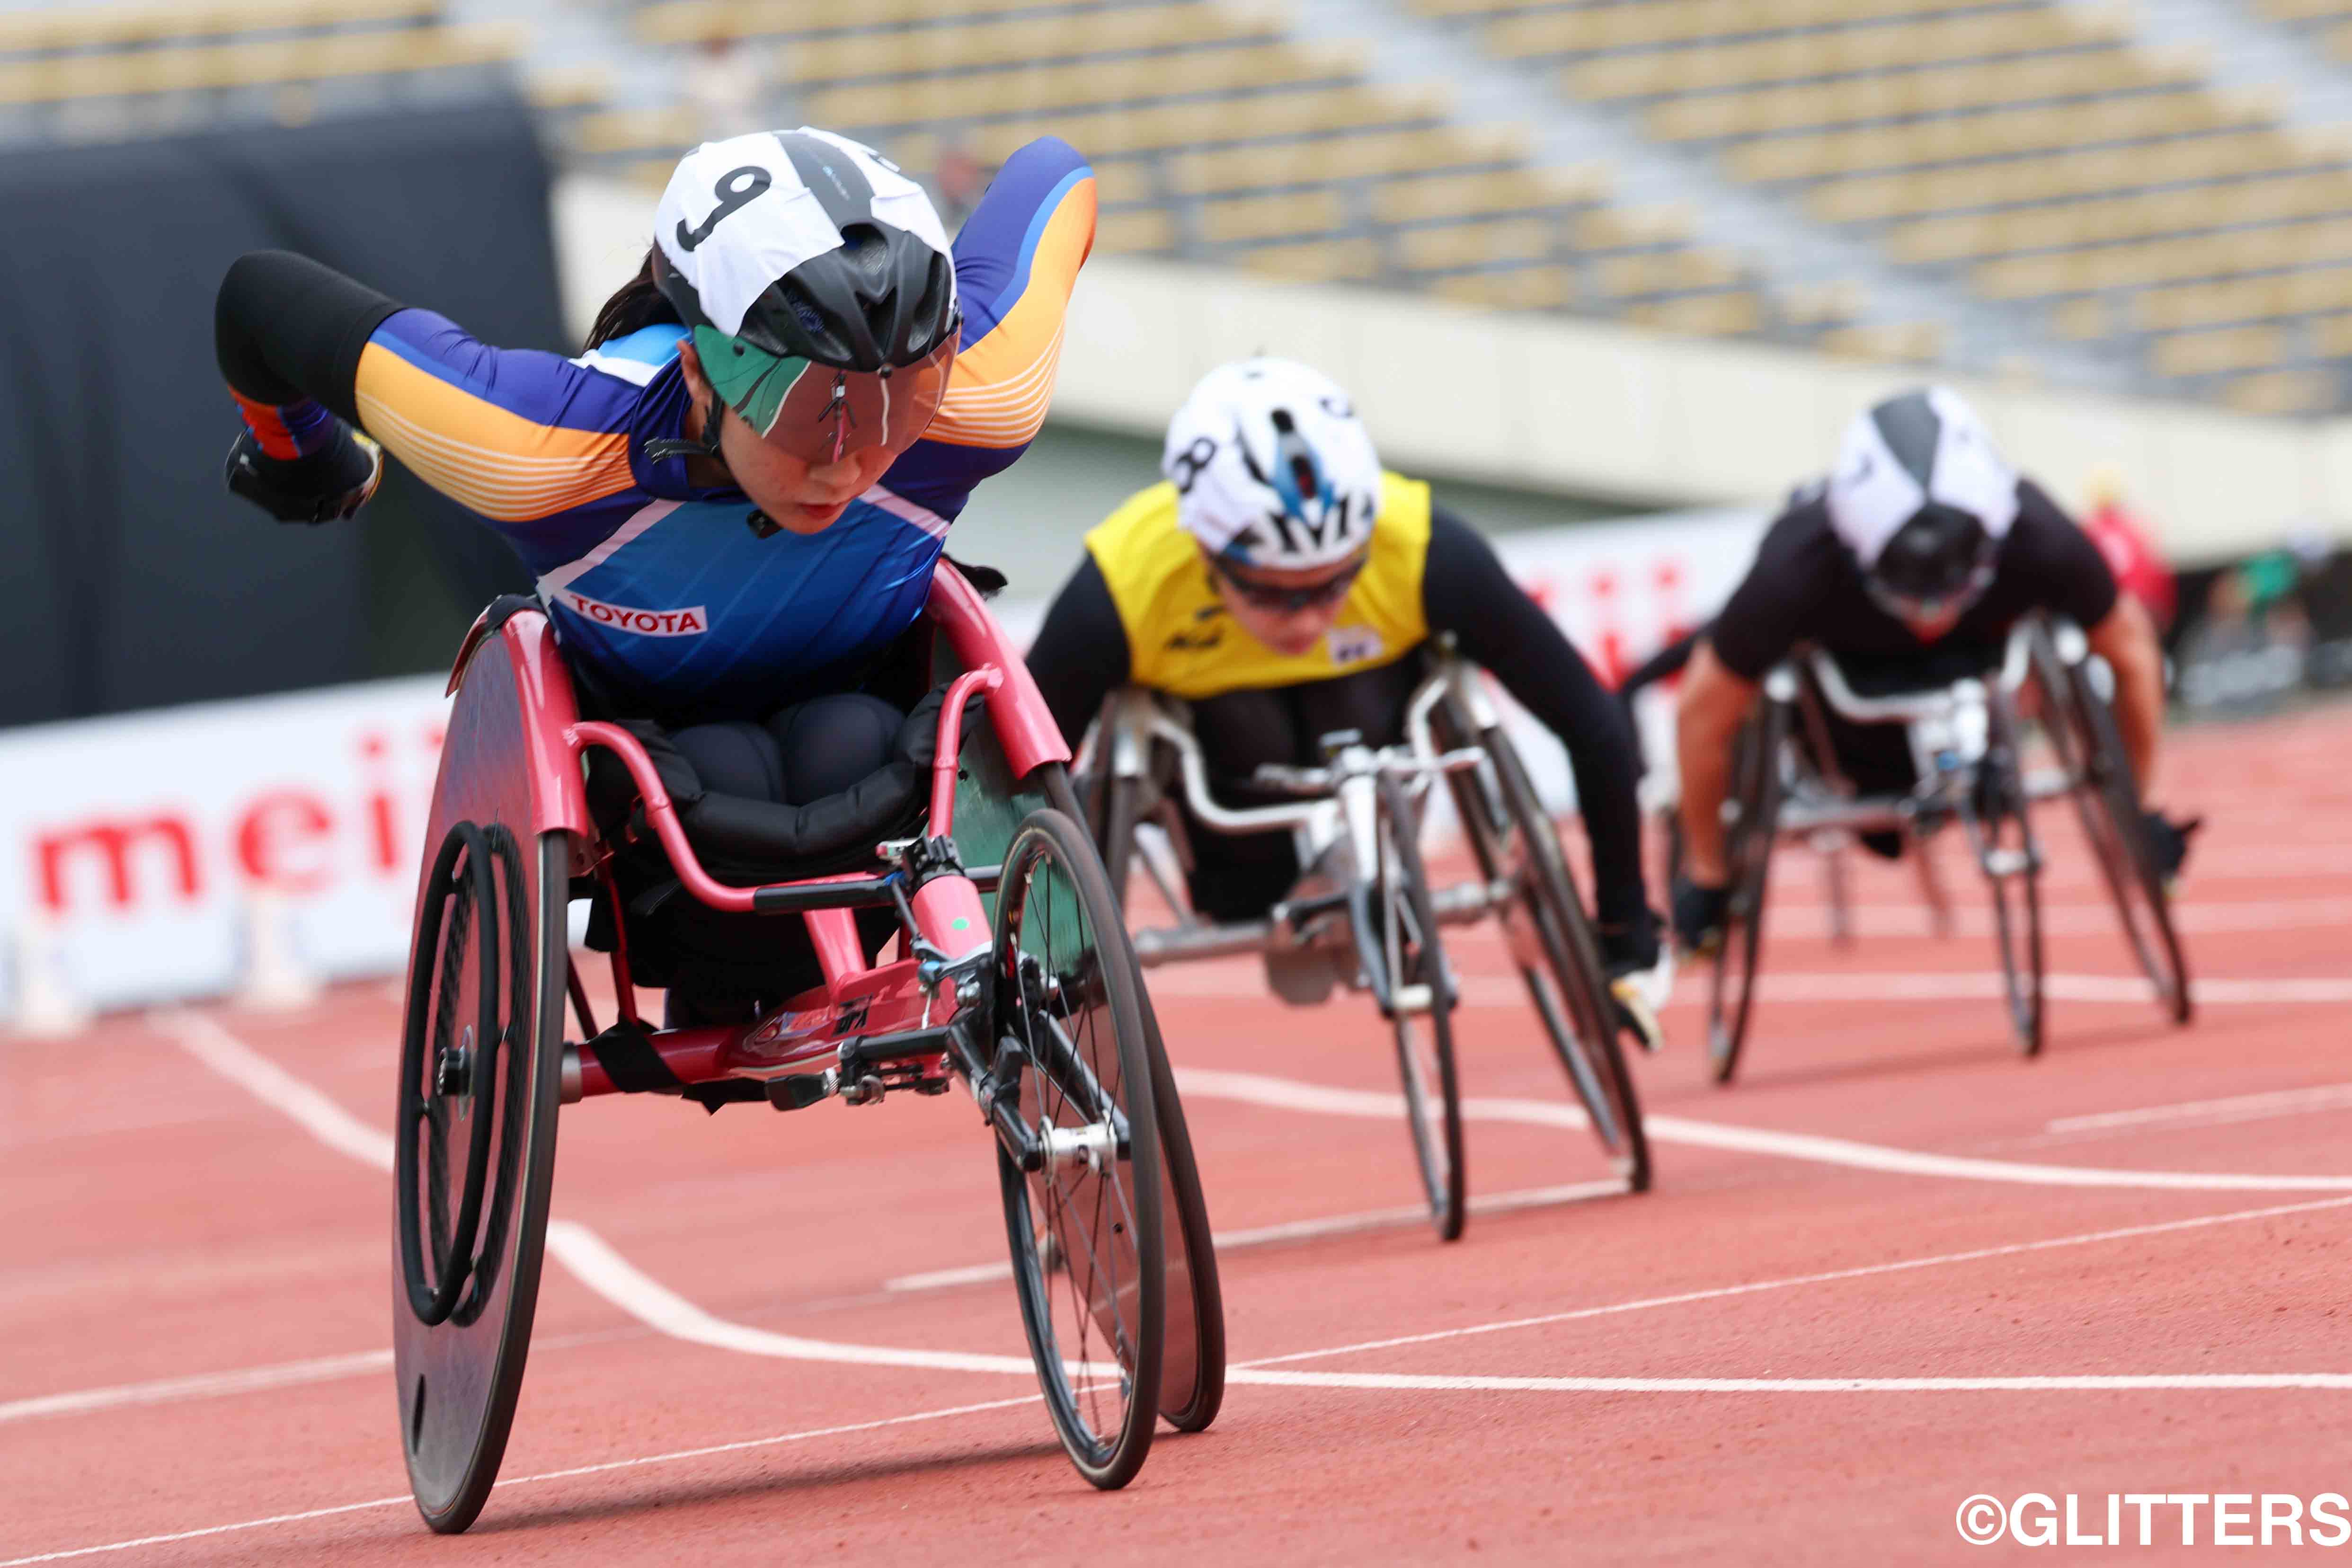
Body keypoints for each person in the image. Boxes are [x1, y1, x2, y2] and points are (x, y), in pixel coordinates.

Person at [214, 127, 1097, 1013]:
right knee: (729, 765)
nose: (848, 462)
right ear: (700, 373)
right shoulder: (542, 448)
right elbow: (257, 296)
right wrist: (302, 453)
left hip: (875, 734)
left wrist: (306, 458)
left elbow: (1058, 168)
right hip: (652, 775)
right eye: (805, 412)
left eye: (897, 403)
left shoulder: (985, 391)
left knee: (848, 740)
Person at [1023, 357, 1667, 1045]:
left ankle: (1367, 871)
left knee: (1358, 697)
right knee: (1245, 834)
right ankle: (1296, 889)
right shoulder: (1126, 584)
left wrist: (1626, 930)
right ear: (1206, 551)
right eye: (1271, 592)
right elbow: (1014, 780)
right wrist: (1040, 960)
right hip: (1223, 768)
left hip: (1374, 733)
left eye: (1334, 584)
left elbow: (1593, 723)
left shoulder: (1420, 547)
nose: (1306, 619)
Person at [1670, 386, 2194, 954]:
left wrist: (2144, 804)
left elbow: (2131, 652)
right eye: (1909, 594)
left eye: (1952, 590)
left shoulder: (2036, 532)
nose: (1931, 615)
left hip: (1985, 682)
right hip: (1854, 729)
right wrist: (1707, 871)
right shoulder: (1796, 560)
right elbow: (1702, 716)